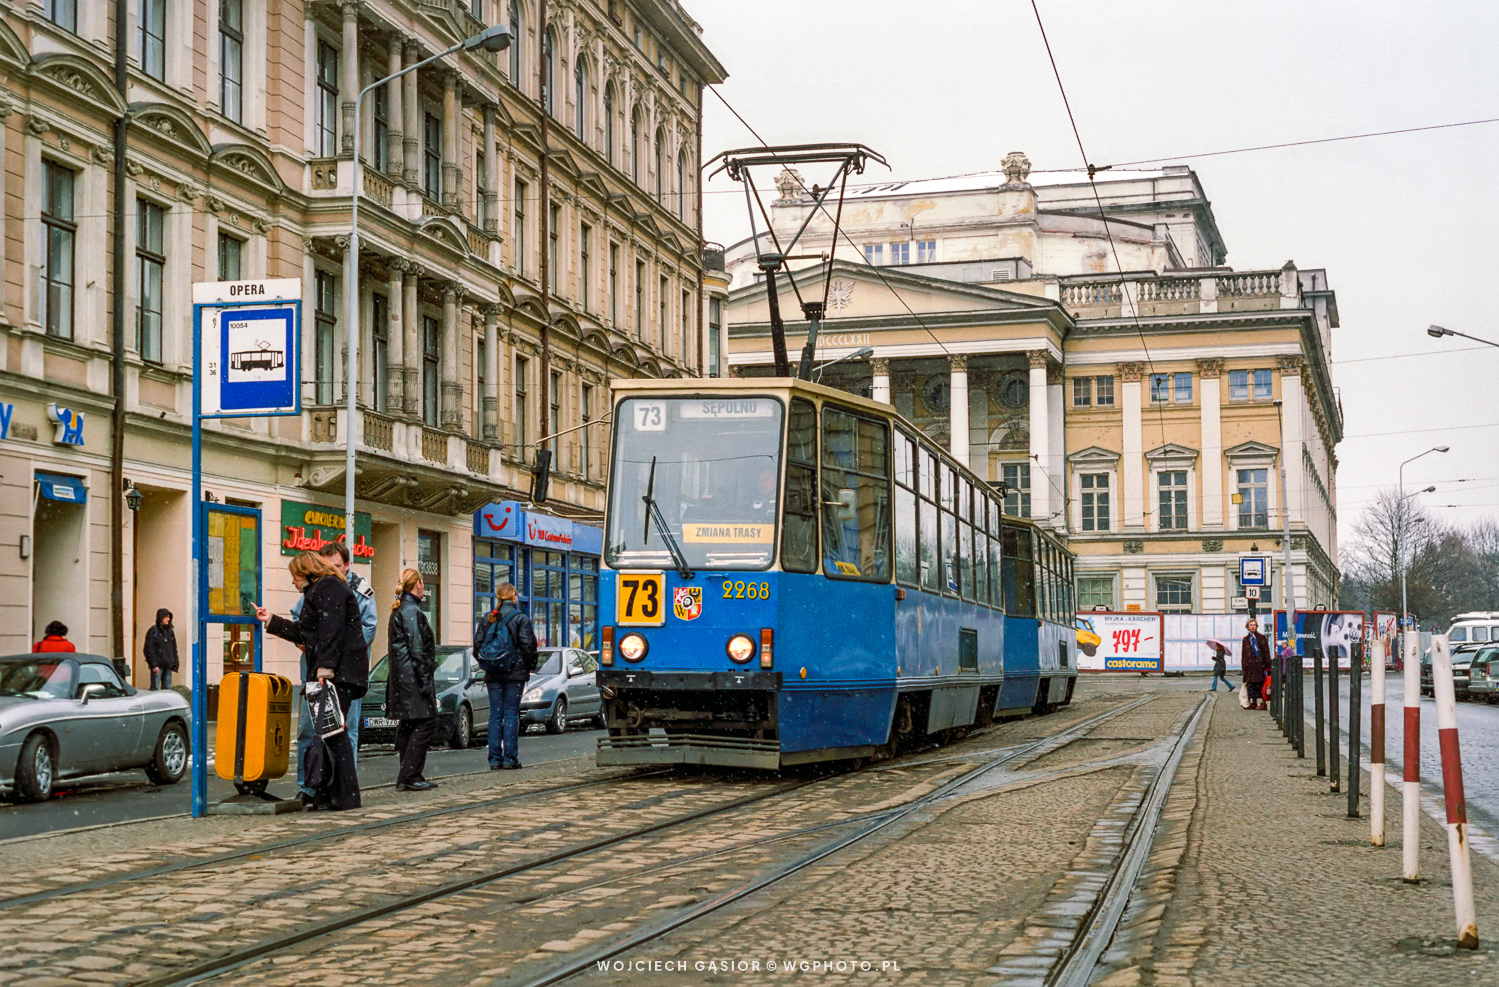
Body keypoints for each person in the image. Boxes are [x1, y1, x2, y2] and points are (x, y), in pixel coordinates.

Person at [256, 551, 369, 810]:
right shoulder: (320, 591)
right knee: (332, 732)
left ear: (306, 572)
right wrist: (271, 620)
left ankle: (343, 796)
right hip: (337, 672)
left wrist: (325, 669)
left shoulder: (328, 587)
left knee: (333, 733)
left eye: (294, 577)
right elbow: (306, 633)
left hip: (337, 674)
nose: (292, 583)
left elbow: (331, 631)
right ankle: (338, 795)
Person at [290, 541, 376, 801]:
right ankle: (310, 786)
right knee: (310, 729)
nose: (330, 570)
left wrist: (334, 655)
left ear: (347, 565)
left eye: (336, 566)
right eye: (325, 565)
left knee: (342, 730)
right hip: (318, 669)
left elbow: (365, 630)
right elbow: (301, 622)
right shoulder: (315, 588)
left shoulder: (358, 591)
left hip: (341, 673)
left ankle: (340, 788)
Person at [476, 582, 538, 770]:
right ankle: (510, 758)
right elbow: (529, 647)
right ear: (513, 596)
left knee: (495, 714)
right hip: (514, 674)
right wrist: (528, 667)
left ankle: (494, 759)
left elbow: (478, 646)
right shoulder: (520, 619)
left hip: (493, 674)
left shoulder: (488, 619)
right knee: (511, 713)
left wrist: (488, 664)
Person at [387, 569, 438, 792]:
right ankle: (410, 774)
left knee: (408, 725)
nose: (423, 586)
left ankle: (407, 774)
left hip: (401, 679)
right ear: (417, 584)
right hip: (413, 680)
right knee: (426, 721)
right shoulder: (411, 611)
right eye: (422, 582)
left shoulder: (401, 609)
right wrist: (426, 680)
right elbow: (418, 650)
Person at [143, 609, 179, 690]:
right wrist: (154, 664)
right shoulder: (153, 631)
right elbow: (149, 649)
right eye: (166, 617)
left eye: (169, 617)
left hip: (168, 664)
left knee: (167, 688)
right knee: (155, 687)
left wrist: (175, 662)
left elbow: (173, 648)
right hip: (158, 665)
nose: (168, 619)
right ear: (161, 618)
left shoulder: (170, 631)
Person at [1241, 617, 1270, 711]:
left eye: (1254, 625)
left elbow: (1266, 651)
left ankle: (1263, 703)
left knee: (1261, 684)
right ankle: (1253, 703)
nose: (1252, 627)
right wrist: (1244, 664)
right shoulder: (1246, 639)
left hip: (1259, 666)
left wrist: (1267, 664)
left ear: (1256, 626)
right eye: (1250, 625)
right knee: (1251, 685)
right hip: (1250, 667)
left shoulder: (1261, 637)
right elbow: (1244, 653)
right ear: (1247, 627)